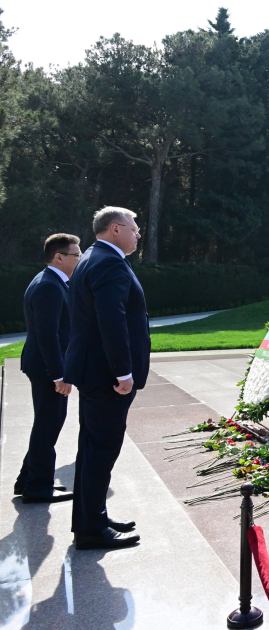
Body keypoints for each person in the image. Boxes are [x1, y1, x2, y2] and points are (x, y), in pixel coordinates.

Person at [65, 208, 149, 550]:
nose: (138, 234)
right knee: (101, 449)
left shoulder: (91, 258)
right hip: (107, 376)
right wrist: (123, 372)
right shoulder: (109, 263)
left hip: (94, 372)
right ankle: (92, 529)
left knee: (92, 448)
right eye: (134, 228)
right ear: (115, 229)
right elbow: (110, 320)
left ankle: (91, 518)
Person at [15, 234, 81, 503]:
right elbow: (48, 335)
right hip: (46, 369)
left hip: (44, 366)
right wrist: (59, 375)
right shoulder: (49, 287)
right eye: (77, 255)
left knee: (46, 424)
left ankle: (27, 479)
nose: (80, 259)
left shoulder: (52, 281)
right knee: (48, 427)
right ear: (59, 257)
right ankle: (38, 487)